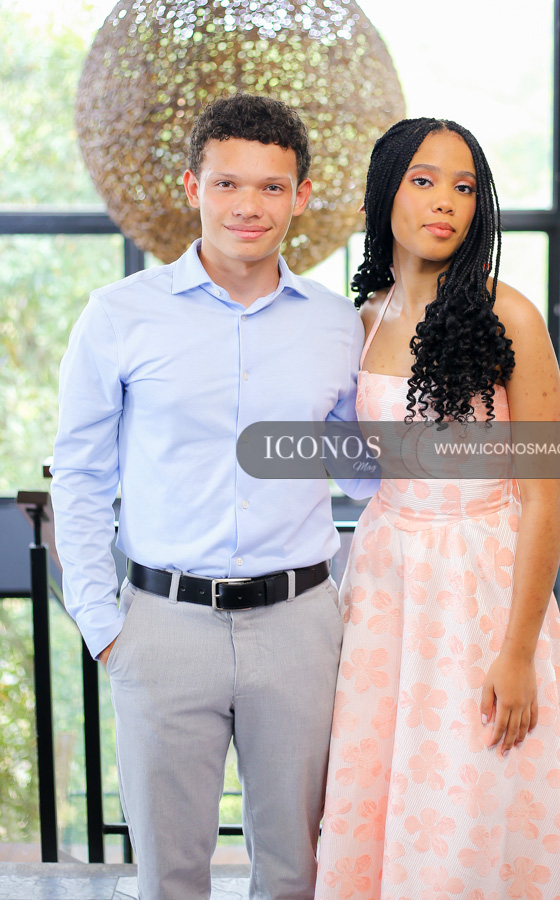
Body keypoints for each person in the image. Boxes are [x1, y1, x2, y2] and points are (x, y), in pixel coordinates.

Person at [51, 93, 376, 900]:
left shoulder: (337, 325)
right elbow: (82, 477)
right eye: (228, 183)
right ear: (193, 187)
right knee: (169, 877)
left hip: (301, 628)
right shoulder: (118, 316)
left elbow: (363, 473)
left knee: (298, 873)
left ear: (300, 197)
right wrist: (102, 625)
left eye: (271, 187)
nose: (248, 206)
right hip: (162, 628)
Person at [315, 118, 560, 899]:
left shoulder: (511, 316)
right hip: (385, 586)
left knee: (472, 803)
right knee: (381, 793)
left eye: (464, 187)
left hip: (483, 587)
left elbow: (544, 494)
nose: (445, 201)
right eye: (423, 180)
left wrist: (518, 651)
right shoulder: (360, 321)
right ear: (385, 192)